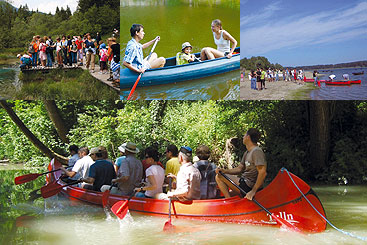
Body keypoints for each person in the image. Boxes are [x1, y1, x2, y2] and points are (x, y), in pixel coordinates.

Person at [215, 128, 267, 200]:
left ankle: (229, 202)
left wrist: (253, 191)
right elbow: (239, 169)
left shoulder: (256, 151)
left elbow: (262, 172)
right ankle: (230, 200)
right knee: (227, 193)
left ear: (248, 137)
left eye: (244, 135)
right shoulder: (247, 152)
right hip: (244, 183)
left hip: (249, 186)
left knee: (218, 177)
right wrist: (224, 171)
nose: (243, 137)